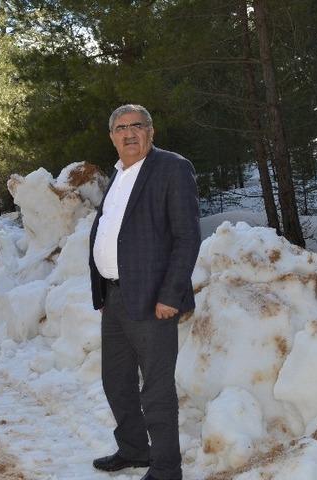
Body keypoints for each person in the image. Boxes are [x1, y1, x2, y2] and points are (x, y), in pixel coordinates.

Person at [89, 104, 201, 480]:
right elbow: (112, 232)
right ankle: (135, 449)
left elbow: (187, 237)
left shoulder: (172, 168)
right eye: (121, 127)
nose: (129, 132)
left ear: (151, 131)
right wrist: (103, 290)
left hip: (154, 300)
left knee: (156, 389)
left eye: (137, 125)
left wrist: (171, 294)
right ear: (112, 137)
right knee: (116, 380)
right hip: (116, 297)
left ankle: (167, 468)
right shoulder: (118, 175)